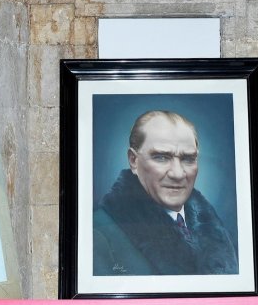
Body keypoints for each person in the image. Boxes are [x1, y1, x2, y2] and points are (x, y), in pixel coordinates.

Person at [91, 109, 238, 276]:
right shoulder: (99, 235)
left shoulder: (217, 230)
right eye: (161, 157)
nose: (177, 174)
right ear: (133, 160)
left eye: (188, 159)